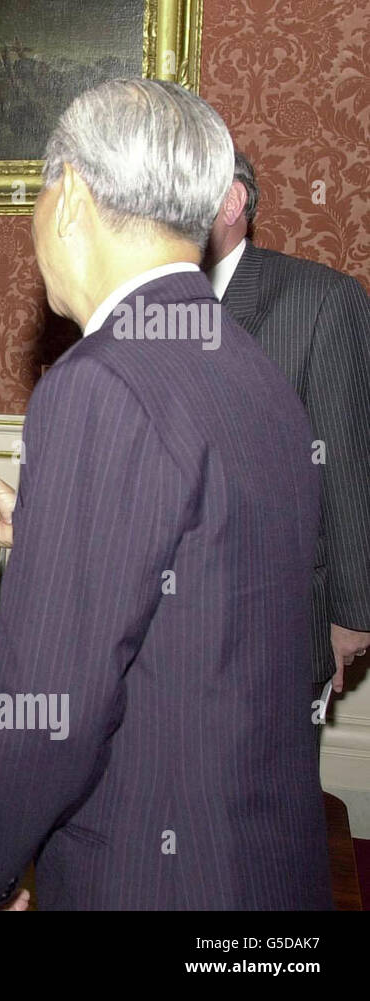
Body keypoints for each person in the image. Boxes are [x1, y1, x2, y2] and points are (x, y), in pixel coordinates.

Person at [0, 79, 331, 909]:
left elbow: (49, 709)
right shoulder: (248, 361)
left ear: (71, 193)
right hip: (262, 870)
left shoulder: (101, 382)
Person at [204, 151, 370, 697]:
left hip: (277, 626)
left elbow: (344, 463)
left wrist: (353, 613)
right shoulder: (135, 308)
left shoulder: (321, 300)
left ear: (233, 201)